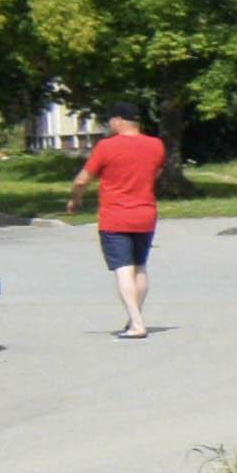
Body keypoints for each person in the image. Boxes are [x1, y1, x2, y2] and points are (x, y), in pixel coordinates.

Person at [68, 111, 169, 339]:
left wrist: (75, 199)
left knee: (124, 269)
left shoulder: (106, 147)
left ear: (118, 120)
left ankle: (136, 324)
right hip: (145, 213)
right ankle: (136, 317)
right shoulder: (156, 145)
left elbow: (82, 179)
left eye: (110, 120)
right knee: (140, 266)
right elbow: (157, 171)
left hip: (115, 216)